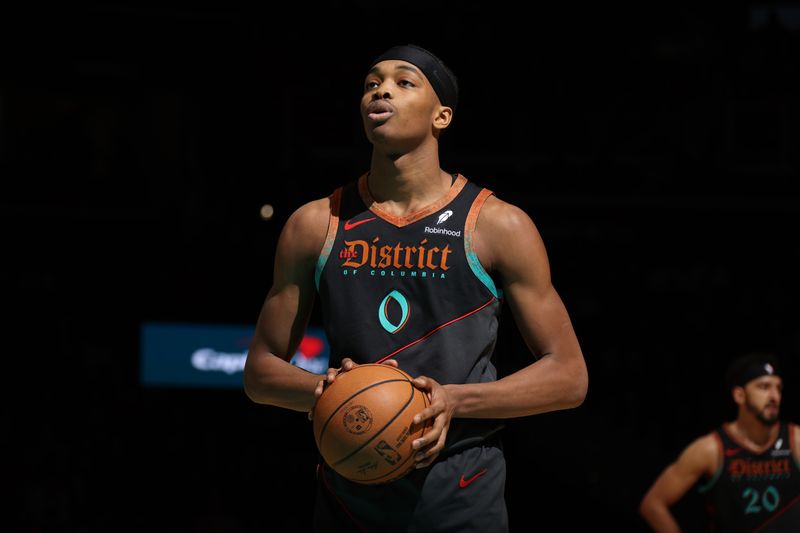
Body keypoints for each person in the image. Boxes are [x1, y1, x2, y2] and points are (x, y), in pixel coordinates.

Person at [243, 43, 588, 533]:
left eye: (404, 82)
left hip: (460, 489)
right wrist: (327, 392)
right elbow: (259, 372)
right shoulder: (315, 223)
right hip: (349, 491)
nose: (380, 90)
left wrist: (453, 400)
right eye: (371, 83)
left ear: (441, 116)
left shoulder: (497, 225)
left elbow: (569, 378)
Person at [639, 351, 800, 532]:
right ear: (739, 395)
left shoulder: (796, 440)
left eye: (778, 388)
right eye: (764, 387)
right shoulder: (712, 449)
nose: (774, 396)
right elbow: (653, 504)